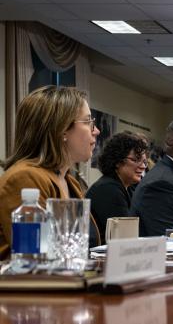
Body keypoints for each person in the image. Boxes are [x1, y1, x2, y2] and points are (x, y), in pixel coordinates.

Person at [0, 85, 102, 257]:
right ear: (62, 130)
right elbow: (33, 257)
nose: (97, 131)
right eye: (88, 122)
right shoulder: (24, 178)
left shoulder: (69, 180)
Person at [85, 131, 149, 240]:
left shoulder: (125, 187)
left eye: (144, 162)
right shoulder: (108, 189)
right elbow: (125, 238)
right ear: (117, 160)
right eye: (136, 160)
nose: (142, 166)